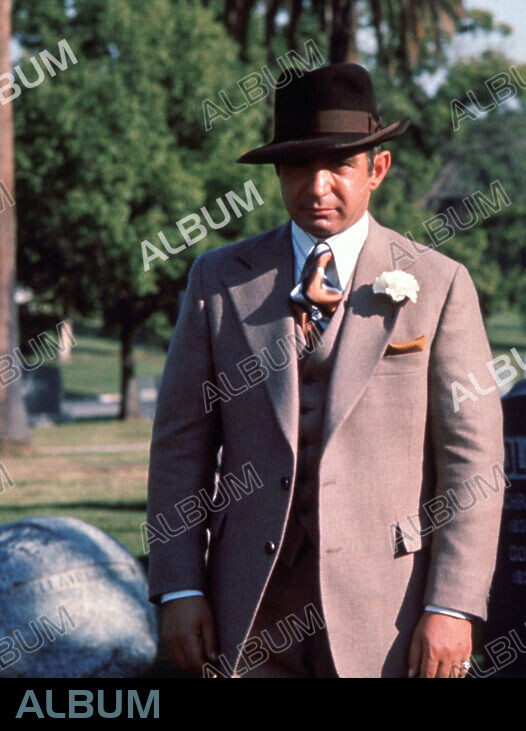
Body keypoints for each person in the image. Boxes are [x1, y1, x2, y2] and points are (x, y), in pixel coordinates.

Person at [146, 63, 504, 678]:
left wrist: (453, 605)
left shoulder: (439, 285)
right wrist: (178, 589)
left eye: (338, 166)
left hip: (388, 613)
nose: (318, 187)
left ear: (377, 171)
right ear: (277, 174)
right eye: (299, 166)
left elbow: (473, 461)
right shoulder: (219, 279)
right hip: (247, 609)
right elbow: (181, 448)